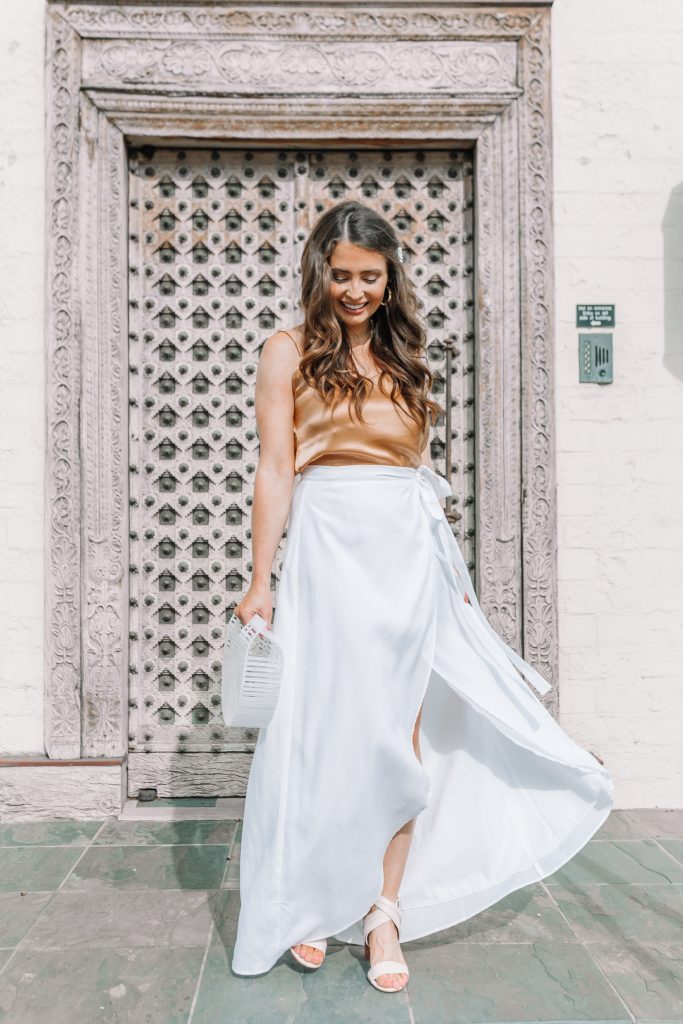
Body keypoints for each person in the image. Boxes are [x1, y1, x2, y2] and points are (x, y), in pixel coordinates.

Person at [230, 200, 613, 991]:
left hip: (408, 560)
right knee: (321, 731)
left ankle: (382, 910)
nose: (355, 290)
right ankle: (309, 899)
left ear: (389, 277)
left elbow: (419, 488)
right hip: (328, 557)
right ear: (319, 272)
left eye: (369, 277)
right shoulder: (286, 351)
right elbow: (275, 469)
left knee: (395, 742)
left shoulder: (409, 358)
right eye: (340, 275)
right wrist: (260, 579)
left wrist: (456, 588)